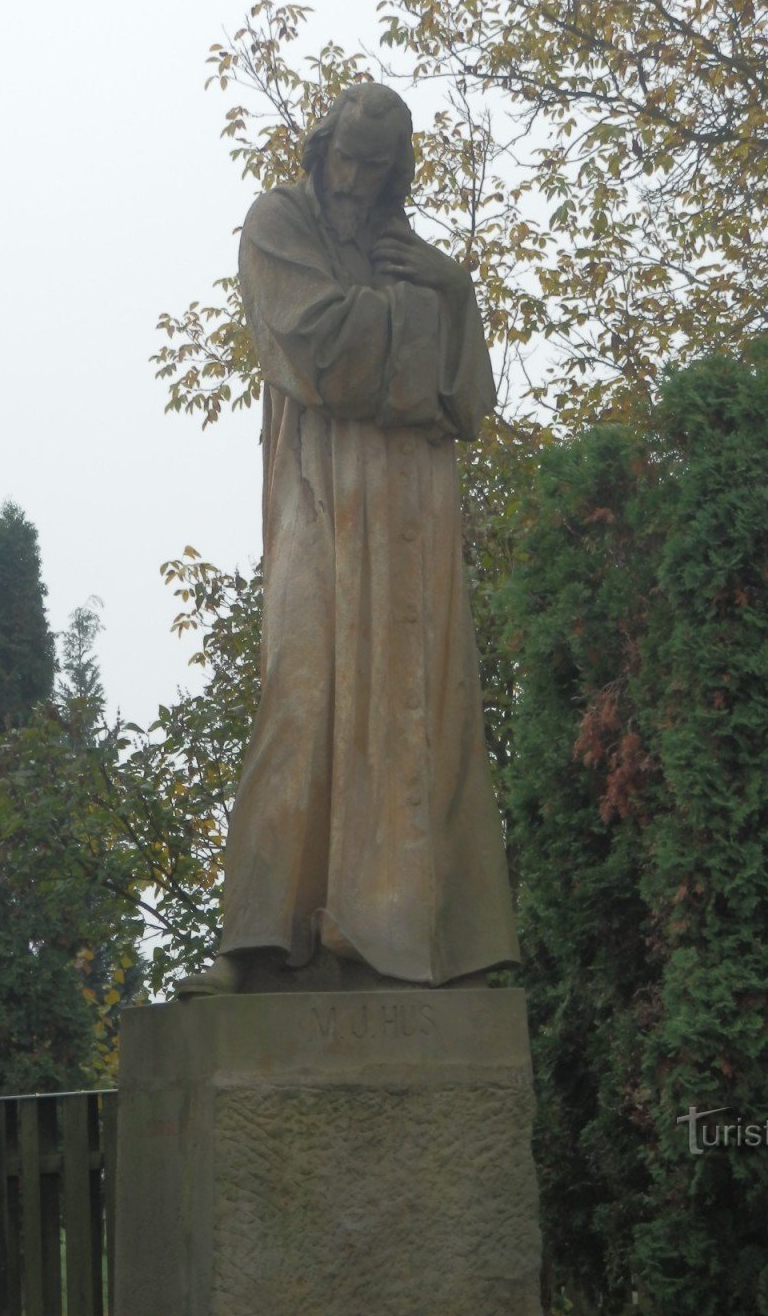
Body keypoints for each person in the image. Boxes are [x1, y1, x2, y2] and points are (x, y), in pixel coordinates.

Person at [183, 84, 518, 994]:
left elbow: (467, 402)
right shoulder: (277, 222)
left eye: (378, 168)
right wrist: (424, 314)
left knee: (419, 699)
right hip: (319, 486)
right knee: (304, 683)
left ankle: (412, 935)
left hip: (412, 502)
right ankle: (261, 938)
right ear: (322, 146)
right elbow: (320, 348)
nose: (358, 181)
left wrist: (454, 287)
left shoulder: (408, 250)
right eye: (347, 160)